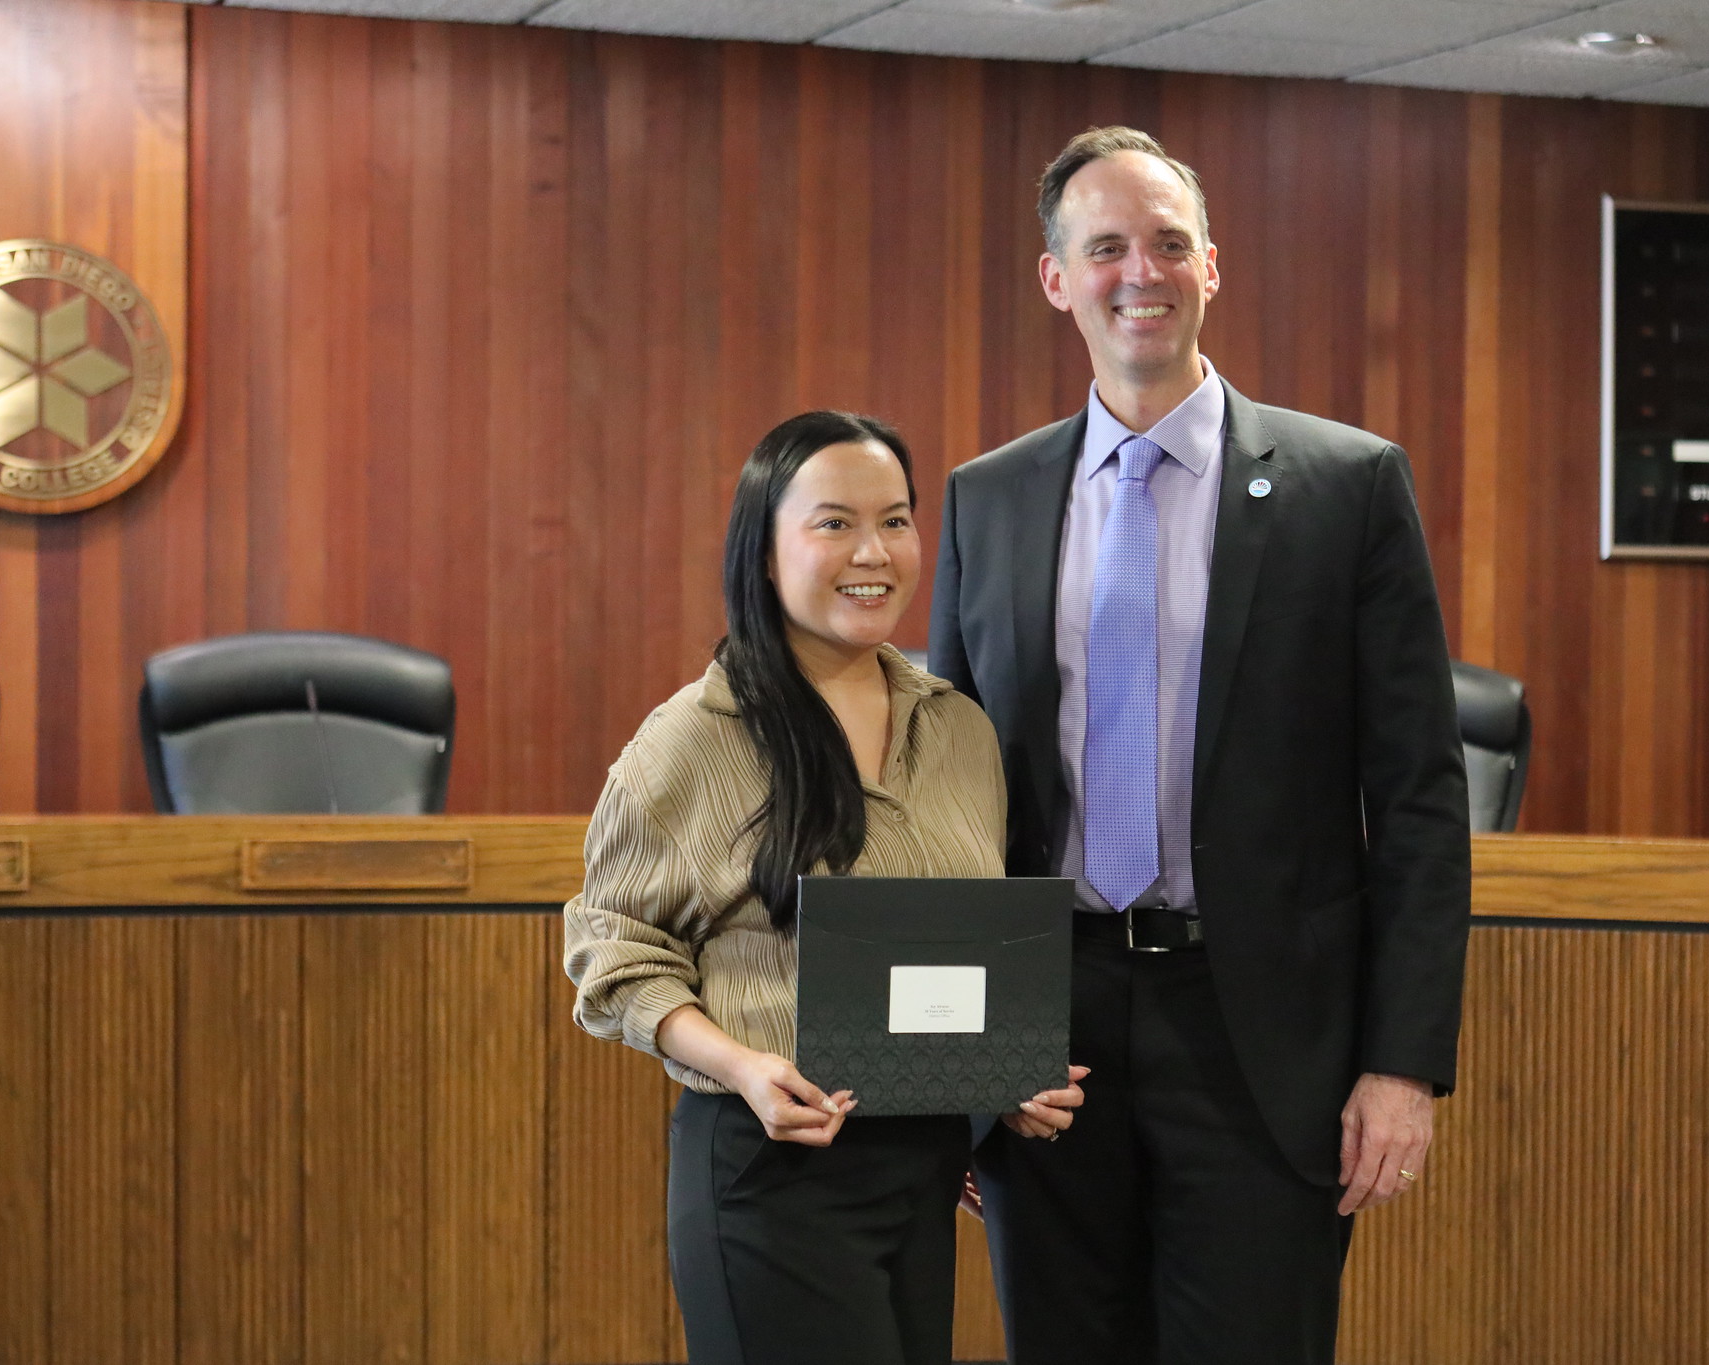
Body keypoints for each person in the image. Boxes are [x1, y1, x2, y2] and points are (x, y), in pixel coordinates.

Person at [928, 128, 1472, 1365]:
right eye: (1106, 246)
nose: (1142, 272)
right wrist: (956, 1071)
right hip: (1042, 1043)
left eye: (1169, 243)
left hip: (1261, 1048)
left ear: (1212, 267)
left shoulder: (1349, 486)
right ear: (1055, 279)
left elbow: (1420, 802)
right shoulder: (988, 499)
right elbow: (941, 803)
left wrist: (1402, 1066)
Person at [563, 410, 1085, 1365]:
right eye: (834, 522)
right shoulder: (695, 737)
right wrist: (743, 1065)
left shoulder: (960, 730)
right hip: (770, 1175)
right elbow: (613, 953)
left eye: (896, 520)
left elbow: (962, 941)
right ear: (764, 553)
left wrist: (1007, 1074)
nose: (873, 552)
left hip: (923, 1174)